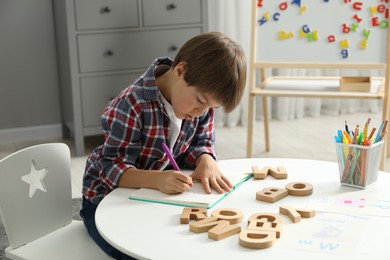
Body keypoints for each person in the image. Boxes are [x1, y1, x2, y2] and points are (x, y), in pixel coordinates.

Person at [80, 31, 247, 259]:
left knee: (193, 245)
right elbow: (110, 169)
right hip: (105, 202)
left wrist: (205, 160)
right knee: (134, 253)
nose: (202, 112)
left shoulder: (199, 105)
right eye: (200, 101)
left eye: (212, 108)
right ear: (180, 71)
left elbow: (200, 142)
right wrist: (157, 180)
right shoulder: (130, 105)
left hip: (153, 197)